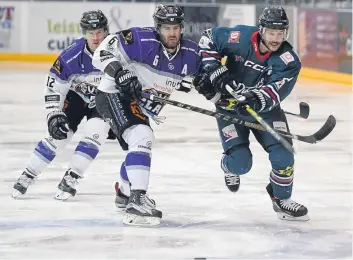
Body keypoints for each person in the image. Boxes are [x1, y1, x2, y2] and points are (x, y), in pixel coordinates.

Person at [193, 6, 309, 221]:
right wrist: (213, 69)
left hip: (266, 110)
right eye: (272, 32)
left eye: (280, 33)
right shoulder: (240, 37)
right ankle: (228, 167)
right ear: (262, 29)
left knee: (284, 154)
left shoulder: (289, 60)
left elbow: (276, 91)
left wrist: (255, 98)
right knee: (240, 163)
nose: (276, 38)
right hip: (229, 107)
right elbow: (208, 38)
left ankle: (281, 198)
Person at [92, 4, 199, 225]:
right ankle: (136, 199)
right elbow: (100, 53)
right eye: (166, 28)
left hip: (137, 101)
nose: (172, 33)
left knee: (138, 144)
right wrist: (119, 72)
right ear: (157, 28)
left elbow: (199, 77)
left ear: (182, 28)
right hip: (112, 92)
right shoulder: (140, 40)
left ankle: (123, 192)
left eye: (176, 28)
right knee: (142, 137)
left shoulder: (190, 52)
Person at [12, 10, 116, 200]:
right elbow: (54, 85)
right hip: (75, 98)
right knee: (57, 136)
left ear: (106, 32)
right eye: (91, 32)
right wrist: (54, 113)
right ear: (83, 33)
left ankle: (71, 177)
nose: (95, 37)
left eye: (99, 32)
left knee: (96, 134)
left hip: (103, 100)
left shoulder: (119, 51)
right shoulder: (72, 55)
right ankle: (29, 173)